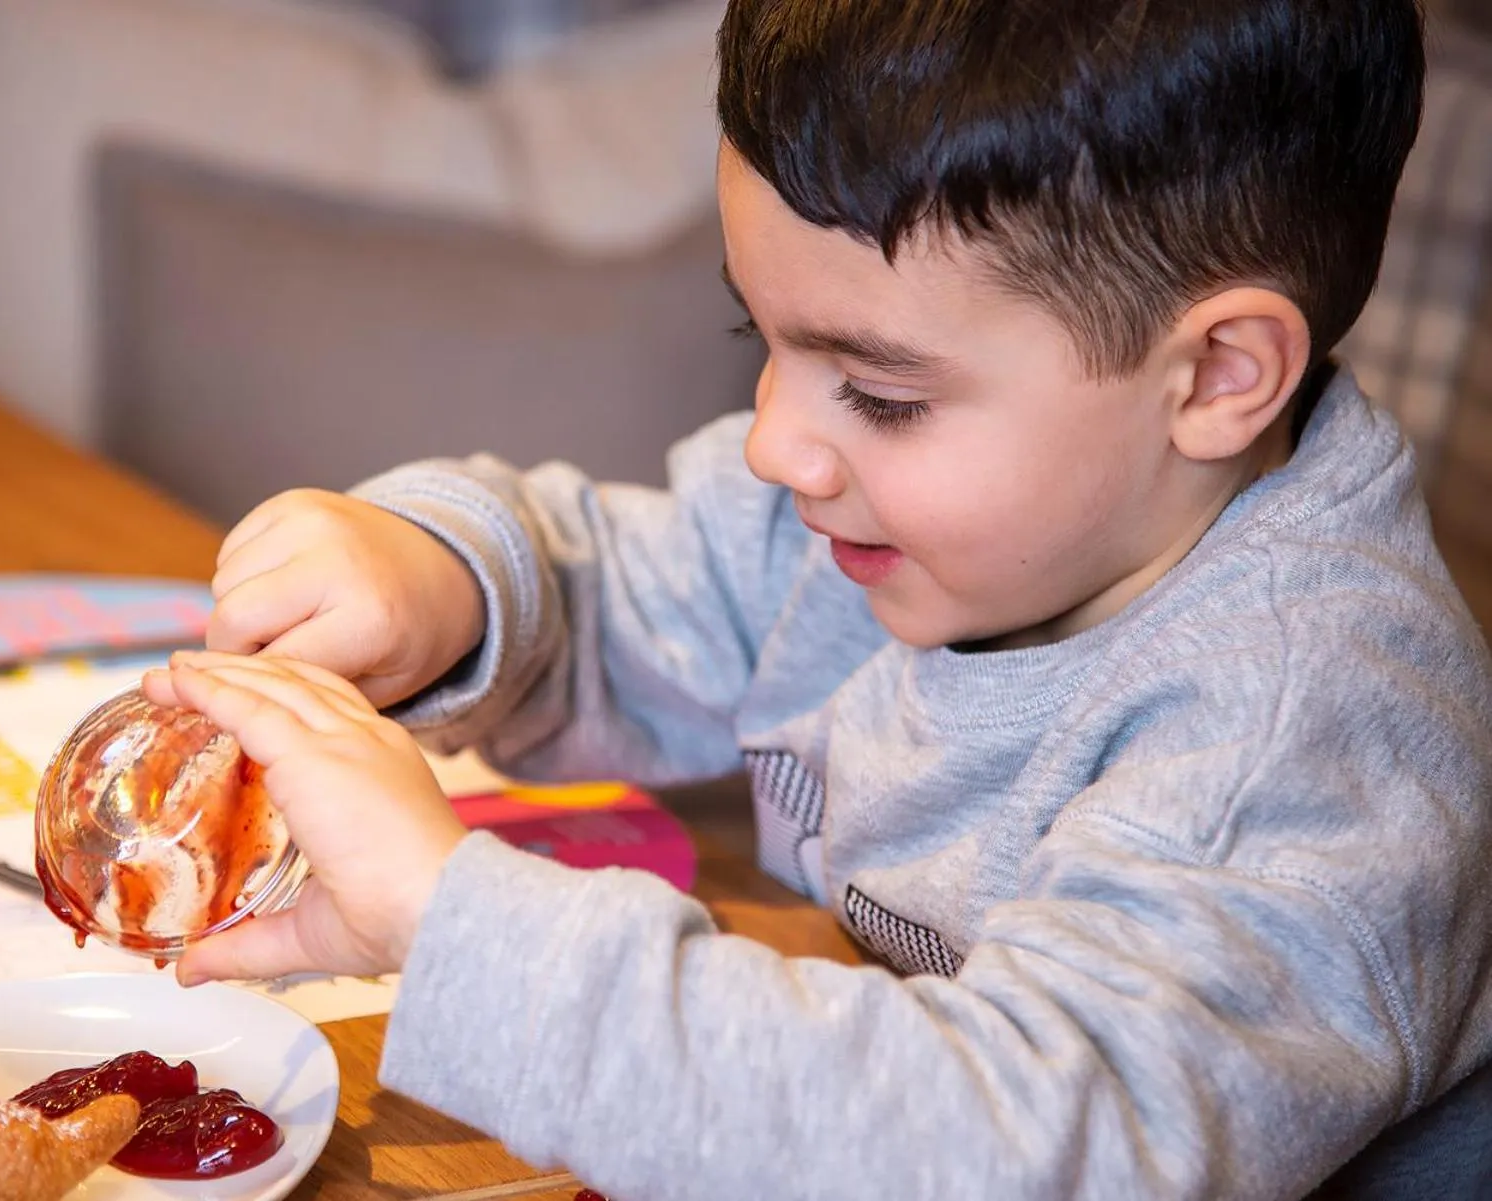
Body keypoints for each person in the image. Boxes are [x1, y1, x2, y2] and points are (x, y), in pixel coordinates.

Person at [141, 0, 1492, 1195]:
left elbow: (1024, 1149)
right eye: (762, 339)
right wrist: (439, 579)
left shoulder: (1301, 731)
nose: (776, 444)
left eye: (885, 392)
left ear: (1215, 377)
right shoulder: (907, 527)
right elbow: (614, 587)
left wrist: (453, 924)